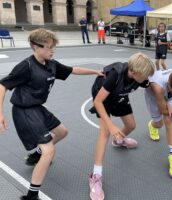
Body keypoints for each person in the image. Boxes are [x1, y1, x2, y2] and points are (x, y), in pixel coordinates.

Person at [0, 28, 101, 200]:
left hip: (37, 107)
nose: (52, 50)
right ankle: (32, 195)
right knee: (50, 151)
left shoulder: (51, 64)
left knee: (62, 132)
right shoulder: (26, 66)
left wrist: (96, 72)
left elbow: (73, 69)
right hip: (24, 110)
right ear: (35, 47)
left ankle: (36, 154)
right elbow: (3, 85)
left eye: (53, 47)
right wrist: (0, 113)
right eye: (48, 47)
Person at [88, 52, 155, 200]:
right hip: (102, 97)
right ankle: (95, 177)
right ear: (133, 72)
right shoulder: (114, 75)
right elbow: (97, 102)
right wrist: (111, 125)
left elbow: (152, 86)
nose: (146, 79)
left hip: (119, 94)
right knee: (105, 132)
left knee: (131, 125)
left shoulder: (141, 77)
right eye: (144, 76)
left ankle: (118, 140)